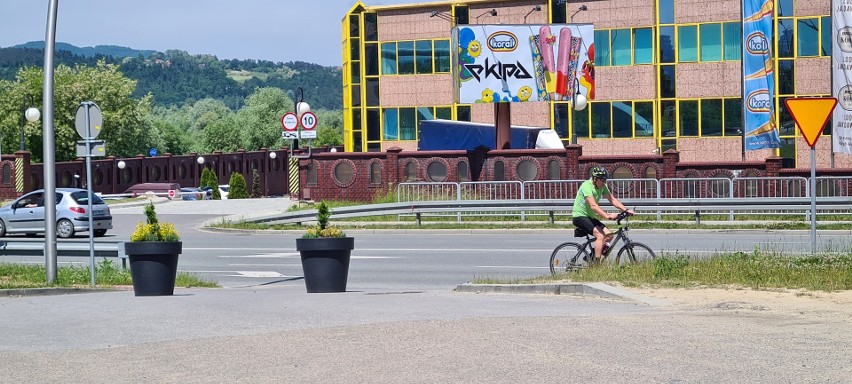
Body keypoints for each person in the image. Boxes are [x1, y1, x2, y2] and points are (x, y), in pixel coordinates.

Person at [571, 167, 634, 262]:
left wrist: (625, 210)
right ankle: (597, 265)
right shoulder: (586, 186)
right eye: (603, 180)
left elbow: (612, 199)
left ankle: (592, 257)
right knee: (600, 236)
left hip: (589, 217)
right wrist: (607, 216)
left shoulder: (602, 186)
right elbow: (593, 206)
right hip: (579, 216)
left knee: (609, 235)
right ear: (595, 178)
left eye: (606, 180)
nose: (605, 182)